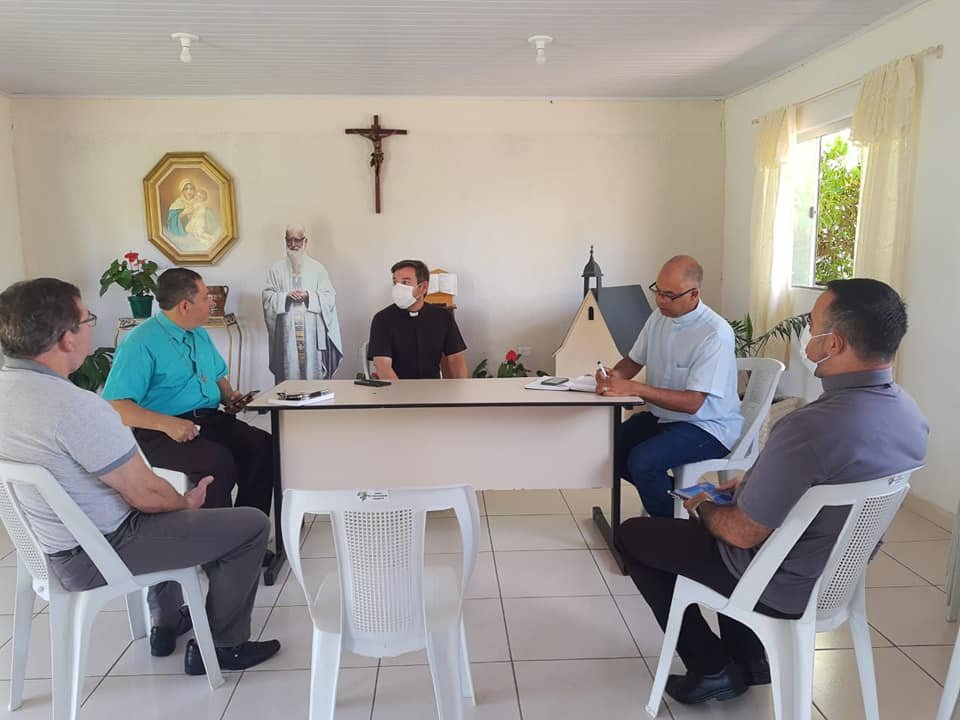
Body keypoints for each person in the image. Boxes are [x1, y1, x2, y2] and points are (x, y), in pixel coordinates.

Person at [618, 278, 928, 705]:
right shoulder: (911, 417)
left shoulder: (809, 427)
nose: (807, 334)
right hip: (833, 577)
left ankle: (711, 667)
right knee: (722, 515)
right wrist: (752, 483)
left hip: (777, 581)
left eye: (813, 325)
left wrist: (703, 505)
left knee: (634, 536)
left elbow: (742, 533)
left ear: (833, 343)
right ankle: (752, 659)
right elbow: (825, 483)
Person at [0, 278, 281, 671]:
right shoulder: (76, 407)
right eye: (88, 320)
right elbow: (148, 496)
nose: (91, 329)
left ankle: (167, 619)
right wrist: (186, 501)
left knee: (239, 460)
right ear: (66, 338)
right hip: (101, 549)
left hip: (50, 549)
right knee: (246, 525)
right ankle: (222, 647)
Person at [102, 268, 274, 521]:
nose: (210, 303)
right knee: (217, 463)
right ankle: (217, 539)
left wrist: (230, 396)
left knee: (262, 446)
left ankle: (250, 528)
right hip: (160, 432)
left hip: (207, 420)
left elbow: (217, 375)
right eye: (205, 298)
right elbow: (116, 404)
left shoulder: (199, 333)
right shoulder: (140, 342)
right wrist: (167, 424)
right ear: (185, 305)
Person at [595, 255, 743, 517]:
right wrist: (613, 376)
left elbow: (692, 403)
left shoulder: (715, 333)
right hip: (664, 418)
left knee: (643, 461)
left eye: (669, 295)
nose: (661, 300)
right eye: (658, 291)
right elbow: (633, 361)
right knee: (606, 448)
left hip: (708, 426)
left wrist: (635, 388)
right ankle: (690, 503)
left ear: (694, 294)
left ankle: (673, 527)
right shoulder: (658, 318)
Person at [262, 225, 343, 382]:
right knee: (288, 372)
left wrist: (309, 296)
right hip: (287, 334)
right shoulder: (276, 269)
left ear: (305, 241)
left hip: (312, 333)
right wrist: (285, 297)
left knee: (313, 376)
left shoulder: (317, 268)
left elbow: (329, 297)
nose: (293, 245)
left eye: (297, 240)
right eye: (289, 240)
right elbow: (267, 297)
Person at [368, 259, 468, 380]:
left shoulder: (443, 317)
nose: (398, 288)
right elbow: (383, 366)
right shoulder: (382, 319)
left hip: (433, 387)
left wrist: (460, 388)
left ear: (423, 287)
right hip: (396, 388)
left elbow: (456, 358)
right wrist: (400, 391)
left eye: (405, 282)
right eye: (395, 282)